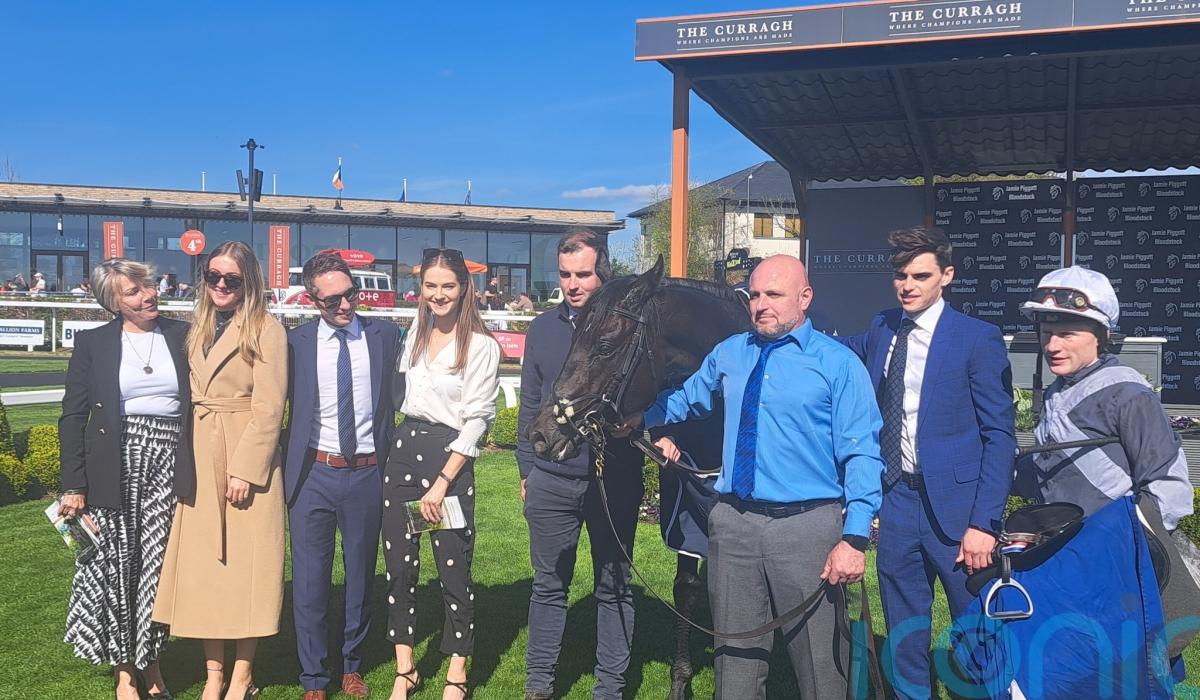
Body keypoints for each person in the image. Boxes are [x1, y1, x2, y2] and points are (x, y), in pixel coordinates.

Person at [630, 255, 885, 699]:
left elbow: (862, 452)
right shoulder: (730, 352)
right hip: (733, 525)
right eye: (754, 295)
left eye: (774, 295)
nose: (761, 305)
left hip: (806, 528)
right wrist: (640, 419)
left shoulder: (839, 365)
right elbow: (687, 399)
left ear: (805, 298)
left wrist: (854, 538)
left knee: (821, 669)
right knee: (734, 667)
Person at [835, 227, 1015, 698]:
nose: (908, 286)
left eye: (920, 276)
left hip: (959, 514)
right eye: (901, 276)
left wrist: (984, 523)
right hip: (897, 501)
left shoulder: (977, 338)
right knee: (904, 634)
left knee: (978, 635)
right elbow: (838, 349)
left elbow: (999, 436)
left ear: (946, 276)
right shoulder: (882, 327)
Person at [1016, 267, 1197, 652]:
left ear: (1102, 335)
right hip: (1069, 562)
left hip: (1119, 570)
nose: (1052, 345)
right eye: (1046, 332)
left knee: (1130, 669)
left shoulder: (1127, 393)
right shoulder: (1057, 391)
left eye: (1067, 334)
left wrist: (1128, 550)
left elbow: (1170, 487)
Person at [152, 241, 288, 700]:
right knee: (207, 569)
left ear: (249, 281)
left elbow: (270, 409)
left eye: (232, 278)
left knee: (249, 570)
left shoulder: (267, 330)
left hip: (245, 457)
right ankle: (214, 674)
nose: (221, 285)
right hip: (199, 452)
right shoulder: (198, 327)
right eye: (214, 276)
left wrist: (246, 470)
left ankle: (243, 675)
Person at [517, 230, 645, 700]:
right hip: (552, 479)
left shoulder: (629, 329)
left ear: (602, 275)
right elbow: (531, 402)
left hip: (614, 476)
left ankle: (609, 688)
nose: (573, 284)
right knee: (549, 585)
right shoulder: (542, 330)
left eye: (584, 274)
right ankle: (539, 684)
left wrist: (643, 417)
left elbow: (664, 383)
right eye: (566, 274)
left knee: (614, 586)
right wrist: (527, 470)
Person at [59, 259, 193, 700]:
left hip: (170, 461)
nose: (148, 295)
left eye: (148, 285)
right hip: (113, 464)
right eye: (133, 291)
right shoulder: (94, 343)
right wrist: (74, 484)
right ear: (112, 302)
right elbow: (73, 416)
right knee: (116, 568)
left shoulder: (183, 334)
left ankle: (152, 665)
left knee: (155, 567)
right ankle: (124, 673)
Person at [282, 253, 401, 700]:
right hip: (312, 474)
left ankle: (353, 665)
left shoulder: (384, 335)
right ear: (313, 300)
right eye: (333, 300)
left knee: (360, 578)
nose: (346, 305)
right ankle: (314, 677)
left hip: (368, 474)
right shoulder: (295, 343)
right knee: (309, 582)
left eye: (351, 294)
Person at [383, 247, 499, 700]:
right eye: (431, 285)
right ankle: (406, 669)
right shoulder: (414, 333)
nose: (438, 294)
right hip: (403, 451)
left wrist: (443, 481)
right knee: (400, 566)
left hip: (447, 459)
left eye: (448, 285)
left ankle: (457, 672)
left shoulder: (481, 346)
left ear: (464, 288)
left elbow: (477, 419)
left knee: (453, 567)